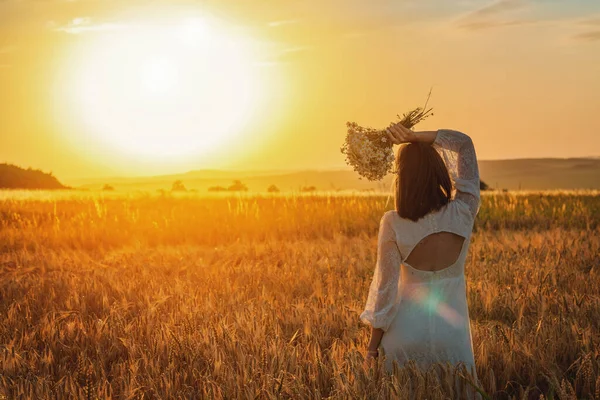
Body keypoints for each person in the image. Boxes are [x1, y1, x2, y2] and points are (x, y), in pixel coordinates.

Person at [359, 123, 481, 386]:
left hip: (404, 338)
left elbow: (386, 291)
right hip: (454, 338)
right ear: (439, 171)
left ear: (401, 178)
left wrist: (371, 350)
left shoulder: (393, 222)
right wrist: (415, 137)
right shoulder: (463, 210)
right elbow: (464, 144)